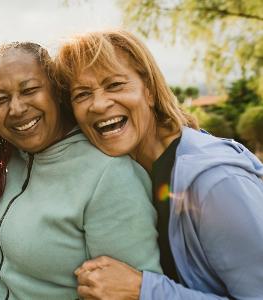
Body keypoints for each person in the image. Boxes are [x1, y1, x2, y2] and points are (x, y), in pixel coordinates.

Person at [56, 29, 263, 299]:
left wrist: (144, 290)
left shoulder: (216, 183)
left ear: (150, 91)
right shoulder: (132, 169)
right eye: (82, 94)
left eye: (115, 85)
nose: (99, 104)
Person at [0, 41, 161, 300]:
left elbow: (132, 292)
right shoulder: (6, 162)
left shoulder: (110, 175)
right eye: (0, 99)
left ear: (56, 91)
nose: (17, 108)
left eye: (30, 90)